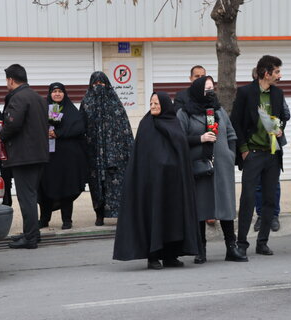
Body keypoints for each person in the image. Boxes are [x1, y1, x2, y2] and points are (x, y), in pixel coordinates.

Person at [113, 92, 201, 270]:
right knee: (155, 217)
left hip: (174, 183)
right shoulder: (146, 125)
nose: (153, 106)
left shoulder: (174, 123)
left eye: (156, 103)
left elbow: (181, 149)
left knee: (173, 219)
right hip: (152, 182)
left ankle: (171, 255)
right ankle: (153, 256)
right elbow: (143, 155)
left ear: (165, 105)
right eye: (151, 103)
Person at [177, 76, 247, 264]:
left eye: (211, 88)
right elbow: (178, 138)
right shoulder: (186, 113)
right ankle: (201, 249)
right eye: (206, 88)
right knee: (201, 206)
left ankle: (231, 248)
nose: (209, 92)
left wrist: (230, 154)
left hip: (222, 166)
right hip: (199, 166)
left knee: (225, 205)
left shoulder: (218, 110)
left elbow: (231, 133)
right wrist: (200, 139)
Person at [230, 55, 289, 258]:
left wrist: (280, 129)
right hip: (253, 153)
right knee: (247, 199)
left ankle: (262, 242)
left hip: (272, 154)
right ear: (266, 73)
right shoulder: (246, 92)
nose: (280, 76)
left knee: (270, 200)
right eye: (277, 72)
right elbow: (235, 122)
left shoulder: (278, 94)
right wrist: (244, 148)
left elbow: (281, 118)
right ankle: (242, 243)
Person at [0, 64, 49, 249]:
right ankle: (32, 233)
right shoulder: (39, 98)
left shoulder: (18, 98)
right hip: (39, 155)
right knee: (31, 196)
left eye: (6, 80)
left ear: (11, 79)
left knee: (26, 197)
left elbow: (12, 124)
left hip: (24, 157)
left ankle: (31, 238)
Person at [80, 71, 134, 226]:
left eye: (101, 84)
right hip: (94, 153)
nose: (99, 87)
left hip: (115, 153)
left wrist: (128, 150)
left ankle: (120, 213)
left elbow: (125, 127)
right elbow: (80, 126)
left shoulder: (115, 102)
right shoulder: (87, 103)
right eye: (95, 84)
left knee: (117, 183)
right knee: (97, 185)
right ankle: (99, 214)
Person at [38, 83, 88, 230]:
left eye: (60, 91)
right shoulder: (42, 108)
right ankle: (44, 219)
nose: (57, 94)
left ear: (64, 94)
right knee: (45, 186)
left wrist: (59, 133)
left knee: (67, 187)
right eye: (54, 91)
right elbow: (34, 126)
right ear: (50, 94)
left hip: (66, 159)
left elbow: (78, 128)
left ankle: (67, 220)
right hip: (47, 158)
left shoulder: (71, 110)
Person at [251, 67, 291, 233]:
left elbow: (286, 114)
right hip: (256, 146)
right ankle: (261, 216)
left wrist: (277, 125)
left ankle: (274, 215)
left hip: (274, 145)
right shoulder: (250, 95)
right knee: (258, 184)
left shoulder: (276, 94)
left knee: (273, 183)